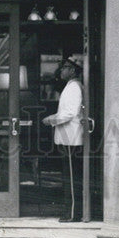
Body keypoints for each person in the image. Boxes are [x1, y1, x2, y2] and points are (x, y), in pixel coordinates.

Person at [42, 57, 83, 222]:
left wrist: (51, 119)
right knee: (70, 177)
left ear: (73, 70)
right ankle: (71, 211)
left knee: (72, 178)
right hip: (68, 138)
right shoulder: (71, 86)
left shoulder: (74, 88)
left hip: (71, 139)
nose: (62, 70)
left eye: (65, 67)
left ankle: (73, 213)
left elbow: (69, 113)